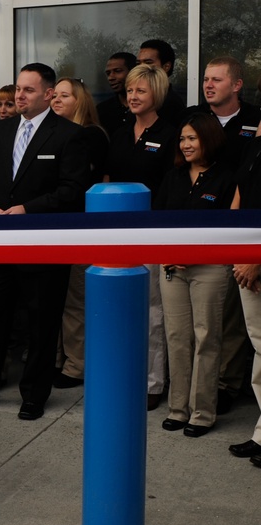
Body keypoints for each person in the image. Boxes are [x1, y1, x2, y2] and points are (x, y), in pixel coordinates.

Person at [0, 63, 88, 421]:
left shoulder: (69, 135)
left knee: (41, 322)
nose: (19, 96)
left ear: (48, 94)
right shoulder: (0, 131)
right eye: (18, 89)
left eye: (28, 90)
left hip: (43, 246)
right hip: (0, 243)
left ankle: (34, 395)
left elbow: (72, 191)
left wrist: (27, 208)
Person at [154, 112, 234, 438]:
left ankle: (202, 413)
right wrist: (167, 255)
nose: (185, 145)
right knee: (176, 337)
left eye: (192, 138)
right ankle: (177, 409)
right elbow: (156, 223)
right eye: (182, 139)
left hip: (211, 269)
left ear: (209, 139)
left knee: (206, 338)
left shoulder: (227, 178)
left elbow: (231, 229)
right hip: (171, 267)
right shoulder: (172, 177)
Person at [104, 64, 177, 410]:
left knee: (152, 312)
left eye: (140, 91)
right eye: (130, 91)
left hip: (151, 233)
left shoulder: (171, 133)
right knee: (120, 310)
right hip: (117, 235)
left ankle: (152, 383)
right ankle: (124, 374)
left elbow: (171, 187)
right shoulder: (119, 134)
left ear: (156, 95)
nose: (132, 96)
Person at [190, 56, 261, 413]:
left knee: (239, 323)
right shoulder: (195, 118)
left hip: (246, 241)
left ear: (237, 85)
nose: (208, 85)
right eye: (205, 79)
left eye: (216, 79)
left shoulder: (252, 122)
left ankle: (228, 385)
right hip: (212, 233)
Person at [49, 78, 109, 388]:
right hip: (56, 229)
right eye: (54, 95)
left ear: (80, 100)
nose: (56, 100)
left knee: (75, 299)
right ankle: (61, 359)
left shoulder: (89, 136)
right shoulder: (54, 134)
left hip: (81, 228)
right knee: (58, 298)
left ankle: (76, 365)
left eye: (64, 96)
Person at [230, 135, 261, 466]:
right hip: (246, 256)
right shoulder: (256, 144)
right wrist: (237, 249)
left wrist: (256, 259)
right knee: (260, 344)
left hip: (257, 258)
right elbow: (239, 194)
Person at [137, 39, 186, 127]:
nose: (141, 68)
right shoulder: (136, 99)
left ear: (166, 67)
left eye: (148, 62)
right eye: (138, 63)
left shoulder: (171, 104)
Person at [96, 52, 137, 136]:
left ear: (133, 72)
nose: (111, 77)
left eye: (118, 71)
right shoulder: (102, 110)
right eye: (108, 73)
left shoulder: (147, 107)